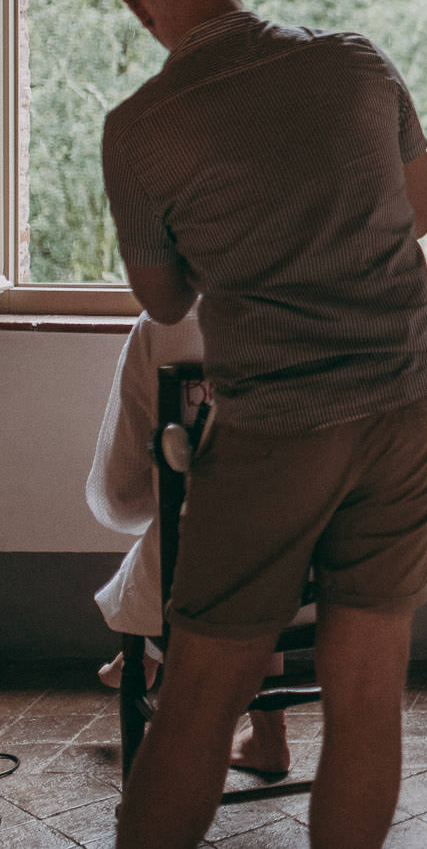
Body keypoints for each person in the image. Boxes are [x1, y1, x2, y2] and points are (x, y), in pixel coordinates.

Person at [94, 0, 427, 849]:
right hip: (414, 397)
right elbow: (417, 211)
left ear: (139, 8)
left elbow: (166, 303)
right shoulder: (355, 60)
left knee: (203, 695)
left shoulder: (138, 130)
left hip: (282, 422)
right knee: (369, 691)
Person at [85, 310, 288, 778]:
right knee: (264, 524)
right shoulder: (342, 305)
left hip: (205, 578)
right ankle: (268, 735)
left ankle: (150, 661)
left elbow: (120, 489)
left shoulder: (167, 321)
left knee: (189, 530)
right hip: (328, 573)